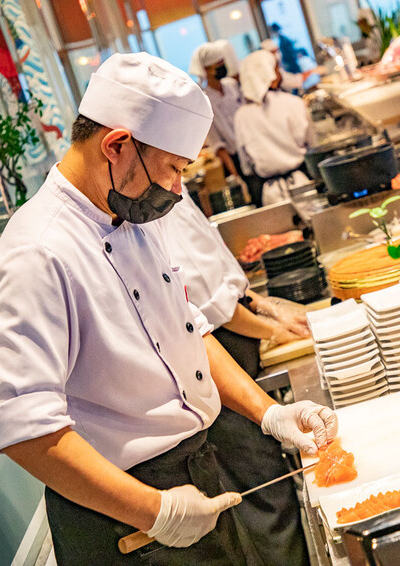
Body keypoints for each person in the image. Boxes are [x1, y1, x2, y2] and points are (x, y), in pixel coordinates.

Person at [0, 52, 338, 564]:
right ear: (116, 145)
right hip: (122, 515)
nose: (176, 189)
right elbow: (25, 431)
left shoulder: (131, 219)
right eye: (172, 169)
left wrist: (270, 413)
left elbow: (186, 331)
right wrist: (153, 511)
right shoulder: (37, 253)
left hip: (195, 469)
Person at [162, 188, 311, 564]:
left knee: (265, 475)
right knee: (263, 491)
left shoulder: (170, 184)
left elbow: (223, 277)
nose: (178, 175)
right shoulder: (150, 204)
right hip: (222, 350)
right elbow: (210, 312)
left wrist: (267, 308)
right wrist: (271, 330)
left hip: (236, 334)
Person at [235, 50, 312, 207]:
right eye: (276, 68)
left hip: (269, 194)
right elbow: (311, 143)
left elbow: (246, 166)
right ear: (268, 73)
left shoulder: (241, 116)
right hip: (302, 182)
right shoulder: (293, 103)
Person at [189, 41, 244, 180]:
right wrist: (236, 176)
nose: (221, 67)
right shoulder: (205, 100)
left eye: (222, 63)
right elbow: (217, 145)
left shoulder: (231, 85)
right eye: (217, 65)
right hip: (234, 158)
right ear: (206, 69)